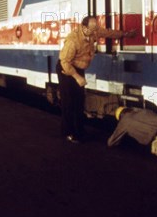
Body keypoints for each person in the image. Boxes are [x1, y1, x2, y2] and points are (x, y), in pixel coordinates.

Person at [57, 15, 135, 143]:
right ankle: (68, 132)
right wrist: (77, 77)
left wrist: (126, 34)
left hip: (78, 68)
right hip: (66, 70)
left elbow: (109, 33)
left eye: (95, 28)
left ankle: (79, 131)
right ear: (84, 27)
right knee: (69, 103)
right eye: (92, 29)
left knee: (79, 101)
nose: (95, 31)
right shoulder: (73, 40)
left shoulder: (94, 31)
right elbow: (64, 62)